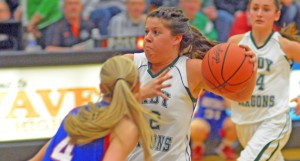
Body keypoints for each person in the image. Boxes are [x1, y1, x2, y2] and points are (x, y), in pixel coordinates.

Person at [126, 7, 257, 161]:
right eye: (147, 31)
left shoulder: (191, 69)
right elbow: (105, 110)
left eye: (156, 32)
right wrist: (141, 95)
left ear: (176, 39)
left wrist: (251, 67)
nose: (147, 37)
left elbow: (241, 96)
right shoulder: (128, 64)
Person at [29, 56, 164, 161]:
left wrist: (140, 93)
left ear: (101, 88)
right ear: (137, 85)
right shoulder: (126, 127)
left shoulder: (76, 113)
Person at [227, 0, 300, 160]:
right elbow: (223, 76)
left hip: (275, 120)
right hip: (244, 119)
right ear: (249, 12)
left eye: (266, 9)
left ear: (277, 15)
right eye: (255, 8)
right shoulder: (235, 43)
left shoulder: (285, 45)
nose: (259, 13)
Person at [191, 91, 237, 161]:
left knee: (236, 123)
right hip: (204, 121)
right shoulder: (202, 89)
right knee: (195, 126)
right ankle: (197, 148)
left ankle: (226, 146)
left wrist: (225, 95)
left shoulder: (225, 91)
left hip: (220, 123)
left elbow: (232, 108)